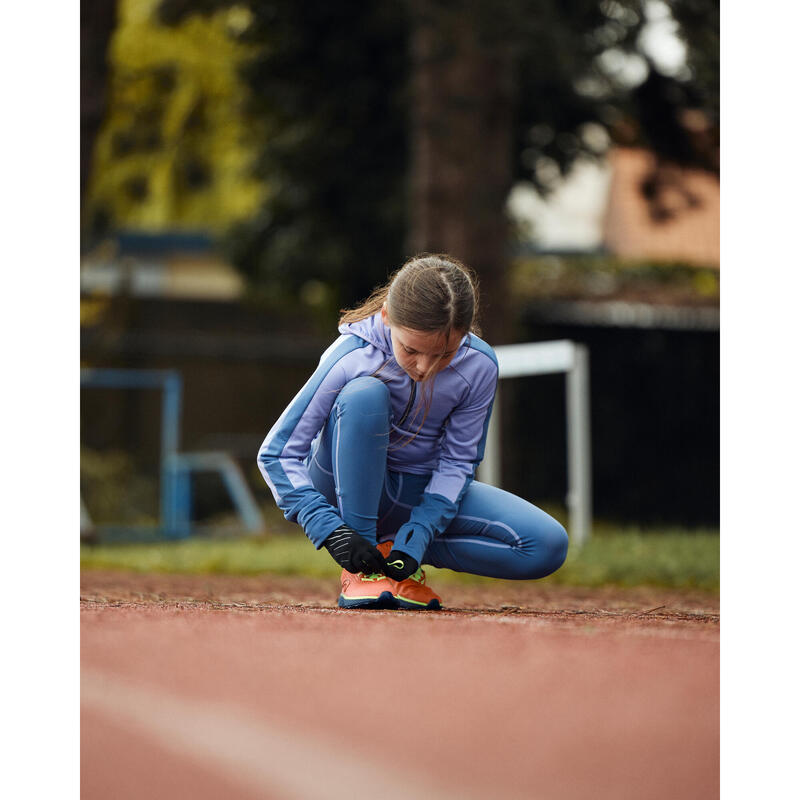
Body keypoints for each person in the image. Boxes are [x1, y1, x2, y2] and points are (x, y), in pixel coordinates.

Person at [257, 253, 568, 610]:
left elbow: (458, 461)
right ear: (387, 315)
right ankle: (363, 571)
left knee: (546, 545)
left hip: (418, 495)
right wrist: (329, 529)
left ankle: (394, 557)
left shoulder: (480, 366)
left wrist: (419, 533)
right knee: (365, 394)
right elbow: (277, 453)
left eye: (445, 354)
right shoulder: (351, 355)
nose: (426, 367)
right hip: (340, 489)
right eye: (411, 349)